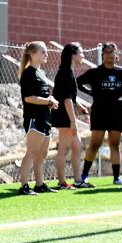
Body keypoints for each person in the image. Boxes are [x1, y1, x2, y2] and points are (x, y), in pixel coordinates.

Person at [76, 42, 122, 186]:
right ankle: (84, 176)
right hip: (99, 112)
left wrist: (114, 96)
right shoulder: (95, 72)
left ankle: (116, 178)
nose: (109, 55)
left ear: (116, 55)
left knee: (115, 144)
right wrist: (91, 93)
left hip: (117, 112)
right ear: (102, 55)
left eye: (112, 52)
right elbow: (77, 82)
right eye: (106, 52)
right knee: (95, 144)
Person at [16, 41, 55, 195]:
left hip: (45, 117)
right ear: (32, 54)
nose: (46, 55)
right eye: (43, 52)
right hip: (34, 118)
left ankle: (39, 184)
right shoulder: (28, 73)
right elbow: (29, 98)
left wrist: (51, 102)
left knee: (42, 154)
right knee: (31, 153)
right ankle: (24, 186)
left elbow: (43, 96)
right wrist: (48, 101)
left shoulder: (42, 74)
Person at [49, 41, 88, 190]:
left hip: (67, 115)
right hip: (63, 116)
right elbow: (66, 99)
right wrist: (73, 122)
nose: (83, 55)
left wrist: (81, 106)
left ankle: (78, 180)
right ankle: (62, 182)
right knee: (64, 149)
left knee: (77, 147)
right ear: (73, 54)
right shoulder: (65, 72)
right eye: (81, 52)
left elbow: (70, 96)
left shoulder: (69, 72)